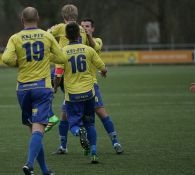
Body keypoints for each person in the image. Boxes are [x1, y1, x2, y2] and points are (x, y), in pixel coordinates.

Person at [2, 7, 66, 175]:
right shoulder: (47, 35)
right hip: (42, 87)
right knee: (38, 129)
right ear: (38, 17)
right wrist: (47, 57)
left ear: (22, 20)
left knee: (33, 130)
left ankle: (45, 170)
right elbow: (61, 58)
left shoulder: (15, 38)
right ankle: (29, 164)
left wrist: (19, 62)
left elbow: (7, 59)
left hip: (23, 88)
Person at [54, 22, 107, 163]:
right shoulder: (88, 50)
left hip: (72, 95)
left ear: (66, 36)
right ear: (79, 34)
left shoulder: (62, 52)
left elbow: (58, 75)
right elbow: (103, 67)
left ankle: (79, 132)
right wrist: (103, 72)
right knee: (90, 124)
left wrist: (54, 88)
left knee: (74, 125)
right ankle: (94, 151)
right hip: (89, 93)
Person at [47, 4, 88, 154]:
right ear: (77, 16)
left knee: (44, 89)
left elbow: (46, 35)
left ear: (63, 17)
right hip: (79, 73)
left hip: (61, 70)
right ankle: (65, 145)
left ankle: (50, 116)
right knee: (67, 111)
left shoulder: (60, 27)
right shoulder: (82, 29)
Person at [81, 18, 123, 154]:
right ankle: (63, 146)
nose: (85, 28)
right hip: (73, 85)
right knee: (65, 116)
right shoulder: (76, 43)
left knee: (100, 112)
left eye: (87, 26)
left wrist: (87, 36)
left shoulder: (97, 40)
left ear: (92, 29)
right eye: (82, 26)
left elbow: (94, 47)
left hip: (91, 84)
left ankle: (115, 141)